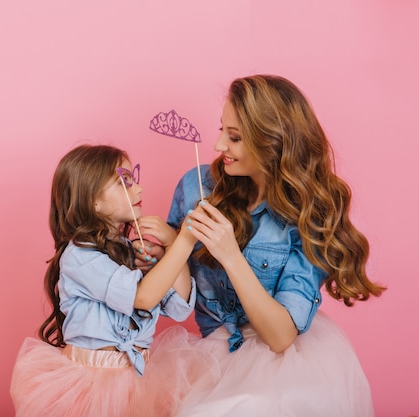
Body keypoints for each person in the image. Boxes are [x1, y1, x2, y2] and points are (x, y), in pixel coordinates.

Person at [144, 75, 386, 417]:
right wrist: (170, 247)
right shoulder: (196, 186)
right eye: (221, 130)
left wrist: (229, 254)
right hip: (210, 355)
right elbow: (177, 300)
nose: (218, 146)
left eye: (235, 137)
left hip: (280, 360)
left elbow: (280, 336)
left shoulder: (309, 213)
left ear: (273, 142)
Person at [10, 144, 216, 417]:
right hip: (91, 386)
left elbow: (179, 308)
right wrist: (186, 241)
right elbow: (143, 297)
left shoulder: (130, 252)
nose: (139, 189)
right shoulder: (80, 256)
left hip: (137, 382)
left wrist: (171, 244)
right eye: (125, 182)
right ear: (93, 200)